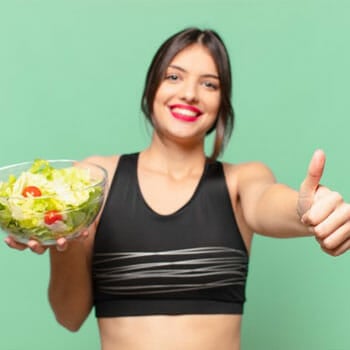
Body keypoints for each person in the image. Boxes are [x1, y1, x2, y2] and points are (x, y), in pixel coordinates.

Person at [4, 27, 350, 350]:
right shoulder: (97, 179)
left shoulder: (241, 181)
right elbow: (69, 317)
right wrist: (59, 236)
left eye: (209, 85)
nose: (189, 93)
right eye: (174, 77)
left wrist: (309, 210)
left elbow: (269, 203)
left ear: (221, 105)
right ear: (151, 86)